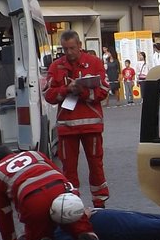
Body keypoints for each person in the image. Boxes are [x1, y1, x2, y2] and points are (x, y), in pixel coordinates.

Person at [0, 146, 110, 240]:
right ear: (12, 153)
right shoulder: (35, 154)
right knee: (78, 223)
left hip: (32, 199)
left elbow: (4, 214)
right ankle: (88, 239)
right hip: (60, 189)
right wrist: (75, 200)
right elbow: (59, 174)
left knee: (35, 238)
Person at [43, 31, 110, 207]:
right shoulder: (56, 66)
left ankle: (100, 204)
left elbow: (103, 91)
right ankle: (74, 204)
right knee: (69, 169)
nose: (69, 52)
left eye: (72, 48)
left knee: (96, 165)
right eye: (65, 49)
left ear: (80, 45)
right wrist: (66, 90)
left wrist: (82, 91)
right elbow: (48, 95)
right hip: (66, 127)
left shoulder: (94, 63)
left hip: (91, 126)